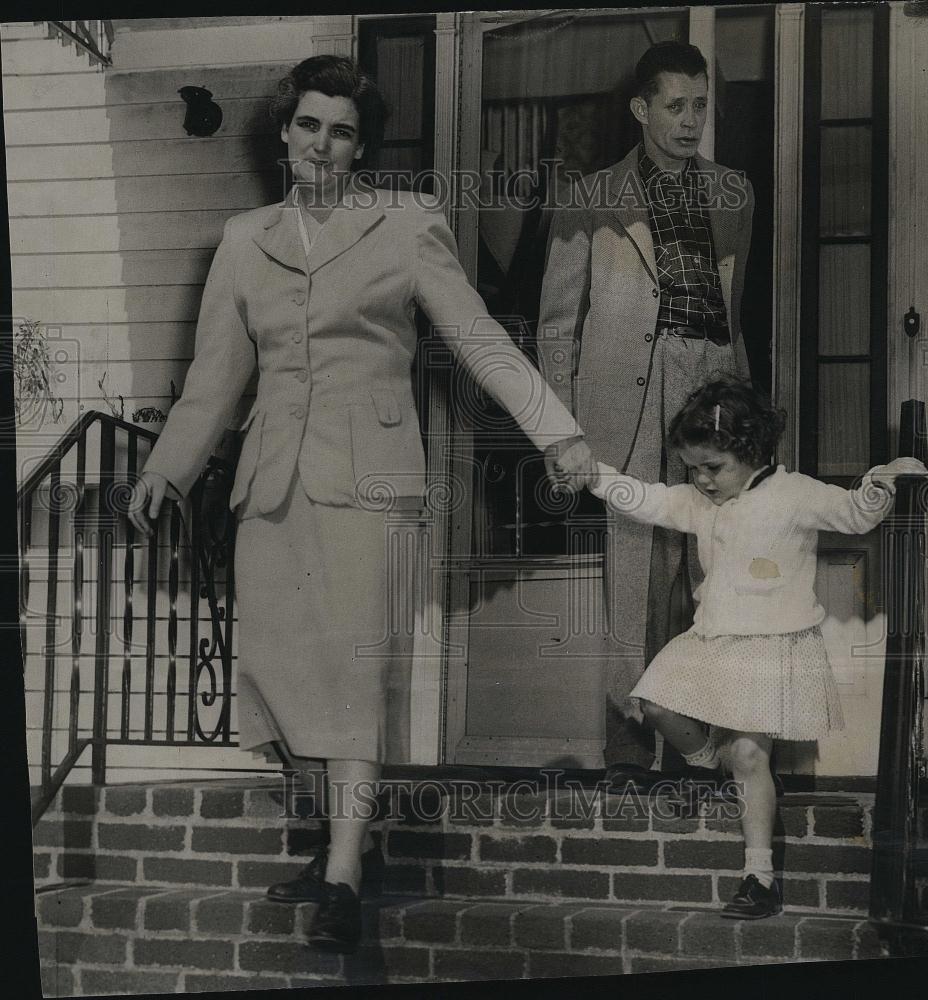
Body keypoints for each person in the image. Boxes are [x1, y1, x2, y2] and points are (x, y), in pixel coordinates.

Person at [127, 54, 596, 951]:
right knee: (272, 664)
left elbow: (477, 337)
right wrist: (171, 470)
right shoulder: (242, 239)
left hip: (369, 474)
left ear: (360, 146)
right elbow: (215, 379)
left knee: (347, 672)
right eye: (309, 124)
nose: (321, 144)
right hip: (272, 477)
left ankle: (343, 870)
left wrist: (556, 431)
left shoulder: (404, 223)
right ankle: (336, 837)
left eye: (341, 131)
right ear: (284, 132)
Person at [588, 379, 928, 918]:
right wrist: (593, 474)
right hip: (712, 637)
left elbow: (856, 515)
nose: (701, 480)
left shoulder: (795, 494)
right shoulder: (697, 502)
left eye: (713, 468)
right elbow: (646, 499)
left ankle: (759, 878)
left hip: (773, 647)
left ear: (750, 451)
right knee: (654, 703)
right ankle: (708, 764)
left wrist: (885, 479)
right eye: (692, 469)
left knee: (750, 755)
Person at [537, 41, 755, 791]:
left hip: (709, 399)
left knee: (706, 579)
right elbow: (556, 323)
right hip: (623, 403)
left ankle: (701, 750)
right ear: (641, 109)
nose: (691, 120)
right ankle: (629, 756)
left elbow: (732, 313)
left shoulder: (734, 193)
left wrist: (742, 419)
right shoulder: (590, 194)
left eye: (700, 105)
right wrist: (559, 431)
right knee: (632, 584)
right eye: (675, 105)